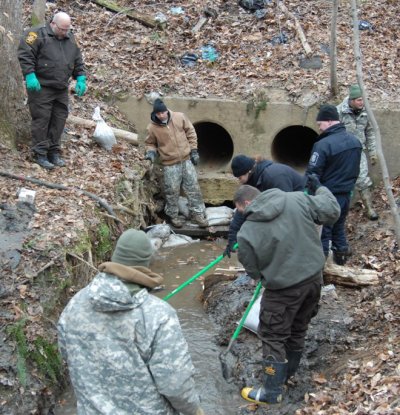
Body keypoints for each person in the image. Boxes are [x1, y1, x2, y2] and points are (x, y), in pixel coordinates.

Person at [57, 229, 204, 415]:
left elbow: (67, 352)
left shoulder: (76, 303)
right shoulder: (158, 313)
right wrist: (194, 409)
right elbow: (175, 383)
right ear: (147, 262)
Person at [234, 182, 340, 405]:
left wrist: (263, 276)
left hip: (282, 290)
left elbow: (252, 269)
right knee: (298, 327)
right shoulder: (297, 199)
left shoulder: (246, 232)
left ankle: (271, 393)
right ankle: (288, 375)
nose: (242, 215)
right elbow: (332, 210)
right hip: (313, 281)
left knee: (273, 336)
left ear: (246, 203)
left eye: (240, 210)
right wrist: (321, 187)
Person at [18, 12, 87, 170]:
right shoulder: (36, 34)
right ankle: (40, 154)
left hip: (61, 87)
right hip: (41, 86)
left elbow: (77, 60)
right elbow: (25, 54)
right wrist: (29, 75)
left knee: (59, 119)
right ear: (53, 24)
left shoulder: (70, 39)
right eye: (62, 29)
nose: (65, 32)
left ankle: (53, 152)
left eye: (67, 29)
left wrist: (81, 78)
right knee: (42, 119)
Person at [306, 104, 362, 265]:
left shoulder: (323, 145)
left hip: (327, 197)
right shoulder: (355, 142)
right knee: (338, 229)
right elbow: (356, 170)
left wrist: (309, 196)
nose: (319, 128)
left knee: (323, 232)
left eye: (320, 124)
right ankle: (341, 262)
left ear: (329, 121)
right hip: (345, 195)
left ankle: (320, 271)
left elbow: (312, 173)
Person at [223, 154, 306, 257]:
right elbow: (242, 210)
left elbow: (287, 208)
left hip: (303, 209)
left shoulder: (274, 176)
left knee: (298, 250)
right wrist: (232, 239)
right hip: (285, 209)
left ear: (247, 171)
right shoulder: (251, 181)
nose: (238, 180)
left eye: (239, 177)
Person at [144, 98, 208, 228]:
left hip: (186, 160)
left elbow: (190, 132)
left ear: (166, 110)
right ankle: (173, 216)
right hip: (170, 163)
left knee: (193, 188)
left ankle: (198, 214)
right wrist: (151, 153)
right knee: (171, 190)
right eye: (158, 114)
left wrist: (194, 150)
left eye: (163, 112)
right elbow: (150, 143)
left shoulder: (179, 117)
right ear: (155, 114)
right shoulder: (152, 128)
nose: (161, 115)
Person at [337, 84, 379, 220]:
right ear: (351, 100)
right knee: (340, 181)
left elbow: (370, 132)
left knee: (362, 179)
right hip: (342, 152)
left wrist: (373, 152)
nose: (362, 103)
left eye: (363, 100)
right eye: (359, 100)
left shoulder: (366, 112)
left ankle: (369, 208)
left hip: (358, 150)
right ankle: (338, 210)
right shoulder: (339, 112)